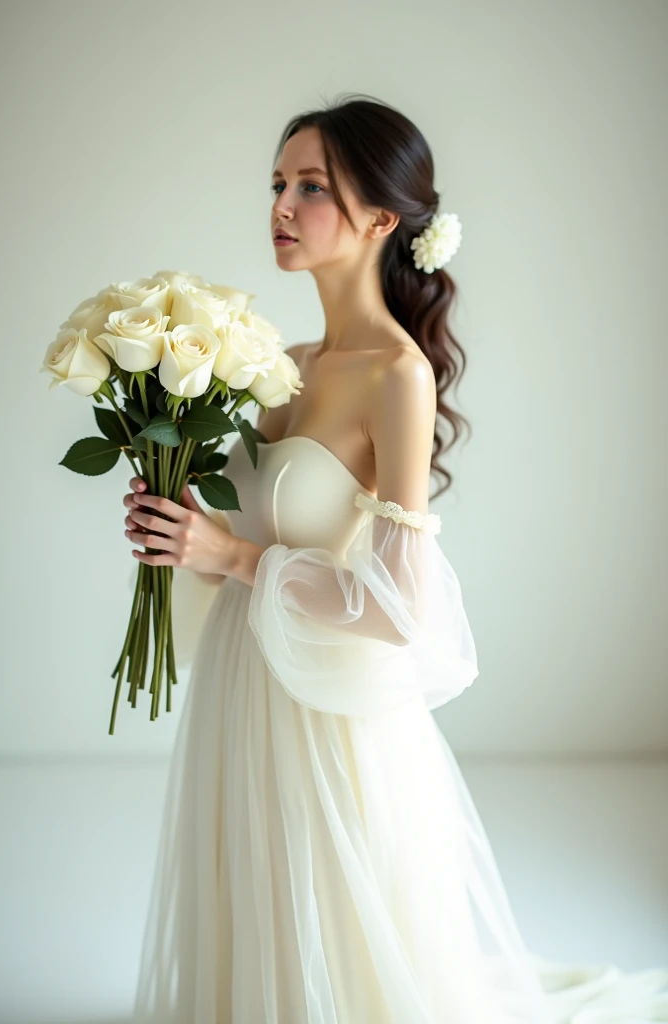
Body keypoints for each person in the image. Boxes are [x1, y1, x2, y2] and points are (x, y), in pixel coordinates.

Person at [127, 96, 668, 1022]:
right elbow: (233, 543)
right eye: (277, 184)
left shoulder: (397, 376)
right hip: (243, 685)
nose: (282, 206)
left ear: (382, 218)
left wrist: (239, 556)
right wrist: (174, 523)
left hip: (326, 716)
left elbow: (395, 608)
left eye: (312, 187)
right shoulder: (278, 367)